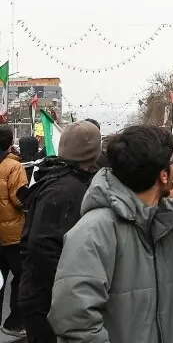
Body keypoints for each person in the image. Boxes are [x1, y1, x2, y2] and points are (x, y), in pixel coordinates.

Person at [48, 125, 173, 342]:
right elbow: (76, 322)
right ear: (164, 174)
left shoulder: (165, 223)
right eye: (171, 160)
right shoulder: (93, 232)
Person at [17, 121, 101, 343]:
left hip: (48, 297)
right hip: (46, 301)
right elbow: (41, 246)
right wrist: (70, 287)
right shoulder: (64, 188)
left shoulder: (64, 178)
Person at [0, 125, 29, 337]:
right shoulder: (14, 167)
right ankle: (14, 322)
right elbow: (19, 199)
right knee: (21, 277)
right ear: (10, 143)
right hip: (12, 236)